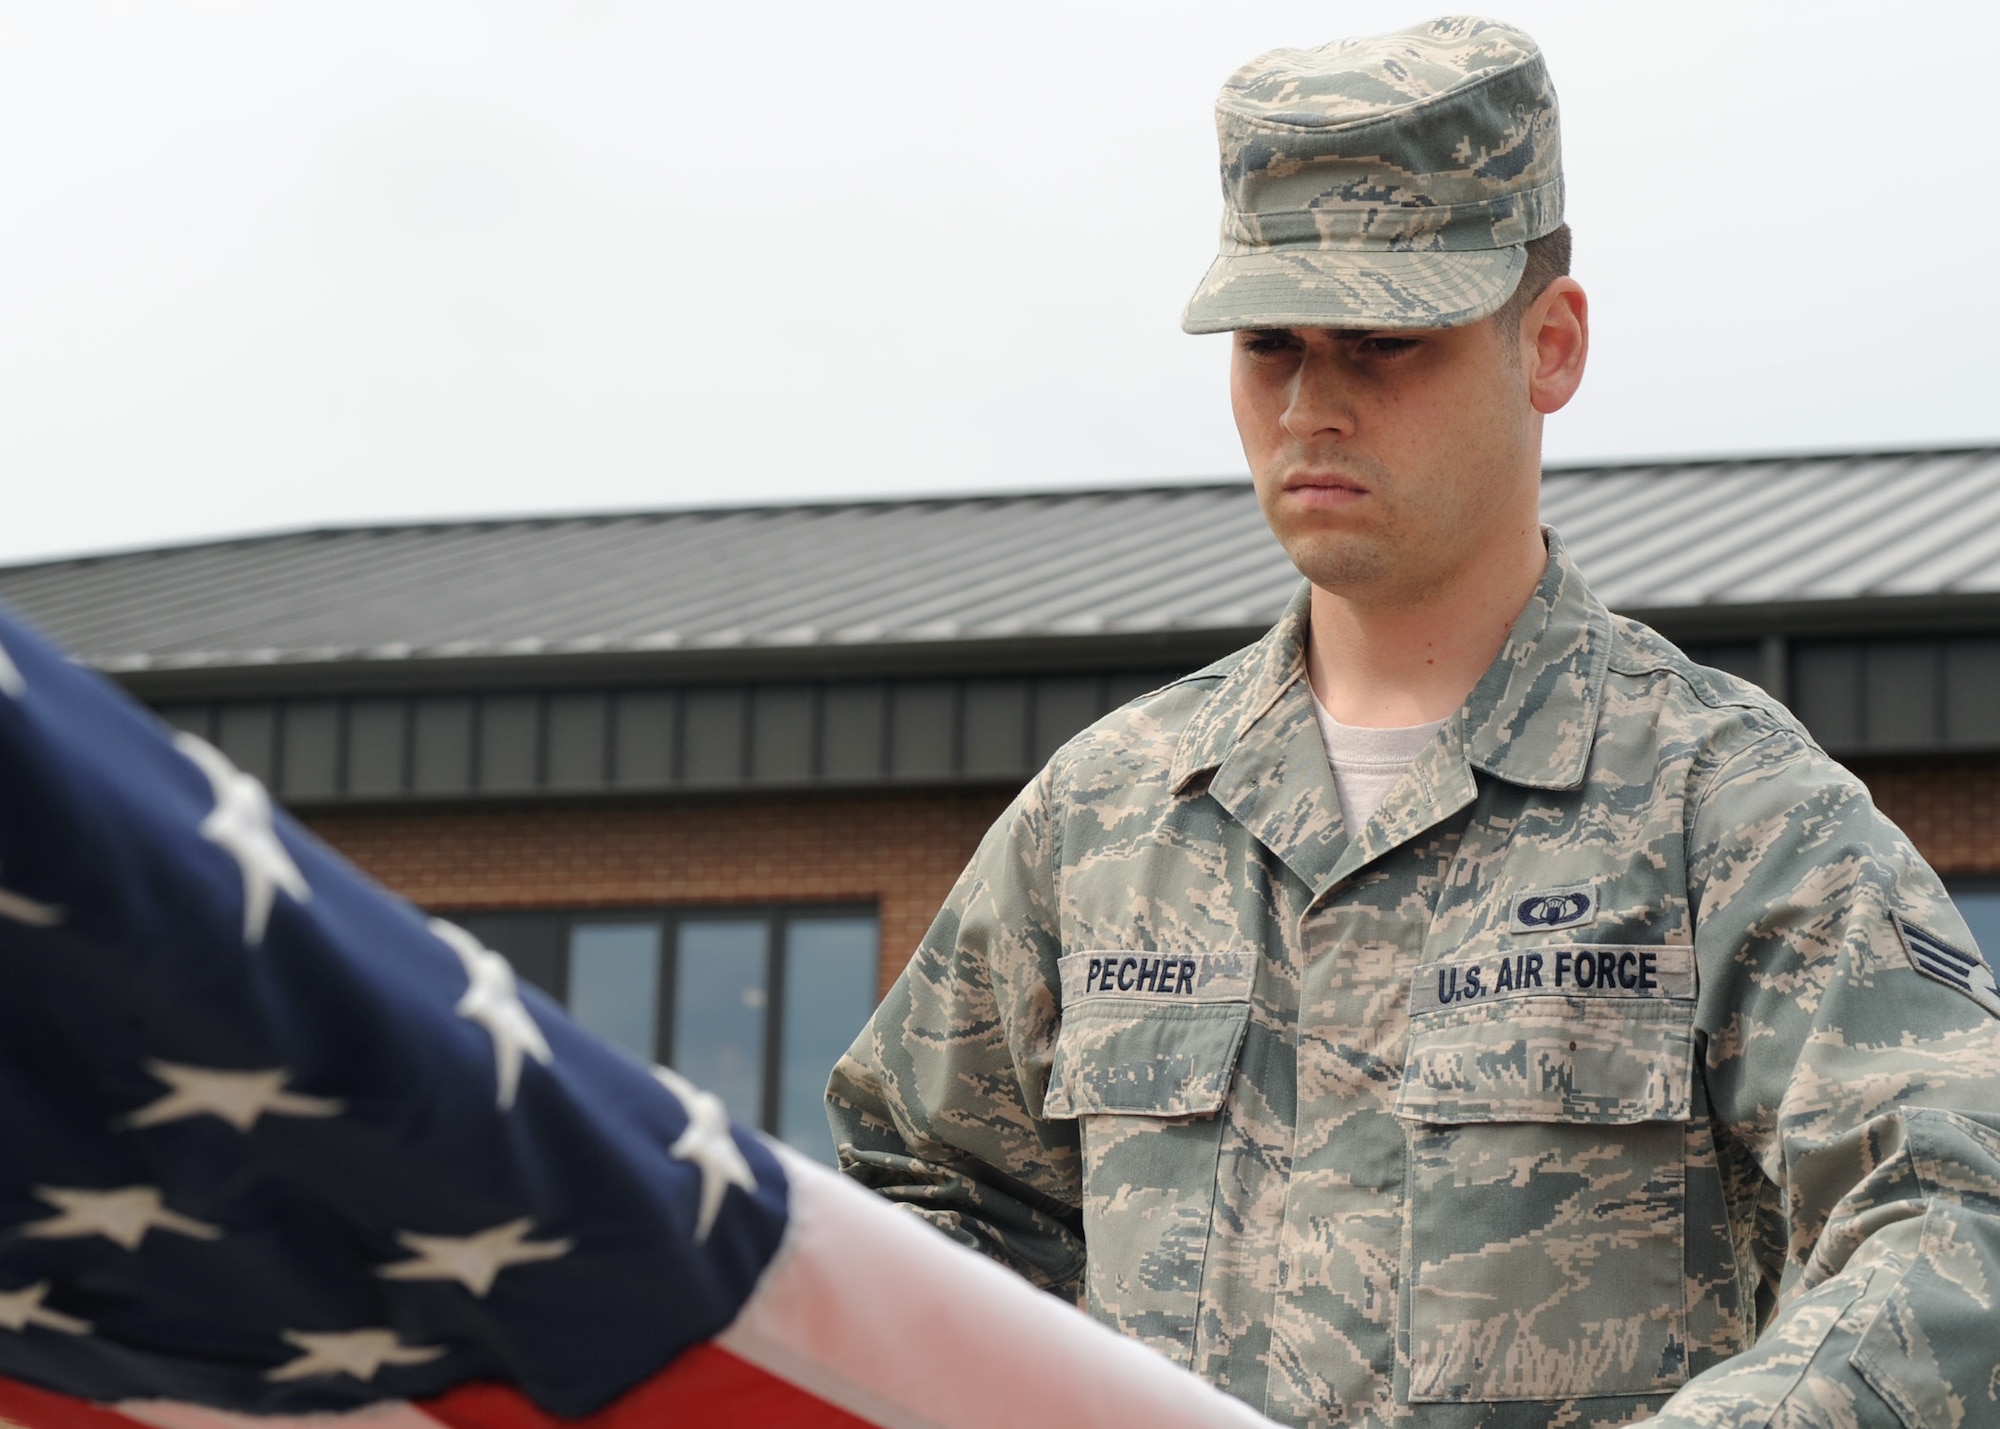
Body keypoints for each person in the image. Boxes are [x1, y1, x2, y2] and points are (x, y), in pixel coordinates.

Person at [827, 16, 2000, 1427]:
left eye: (1385, 340)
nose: (1313, 404)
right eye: (1270, 344)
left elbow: (1953, 1216)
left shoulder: (1725, 812)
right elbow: (916, 1196)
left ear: (1547, 344)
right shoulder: (1108, 815)